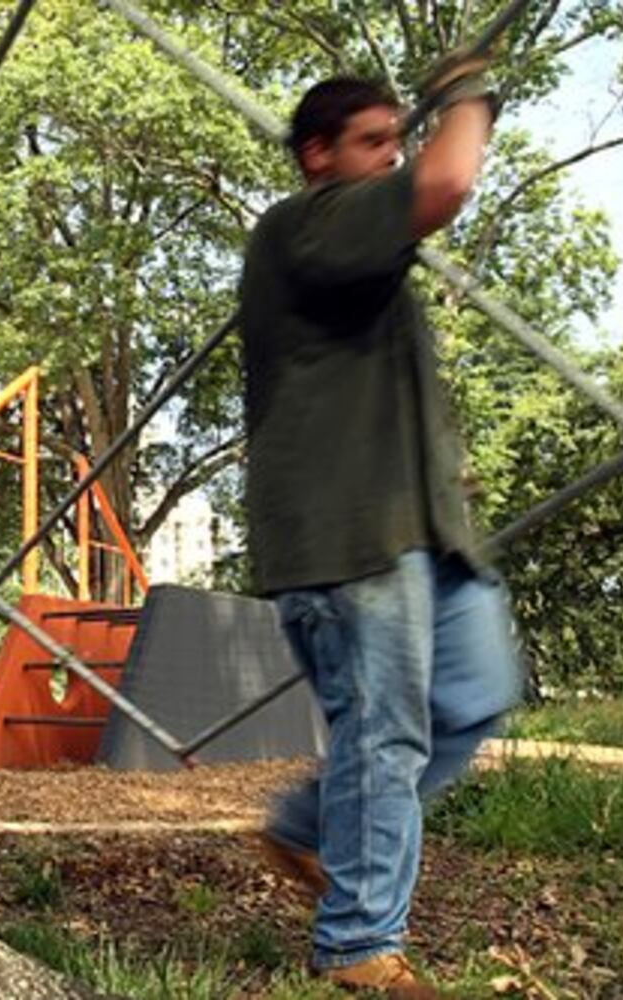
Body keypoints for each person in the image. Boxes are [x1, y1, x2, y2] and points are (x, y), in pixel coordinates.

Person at [238, 60, 523, 998]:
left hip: (425, 531)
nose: (393, 156)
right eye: (374, 141)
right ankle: (359, 946)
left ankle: (309, 826)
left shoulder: (368, 264)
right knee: (385, 729)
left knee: (473, 698)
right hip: (346, 530)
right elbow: (447, 181)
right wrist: (470, 89)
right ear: (316, 154)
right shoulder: (305, 224)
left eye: (398, 141)